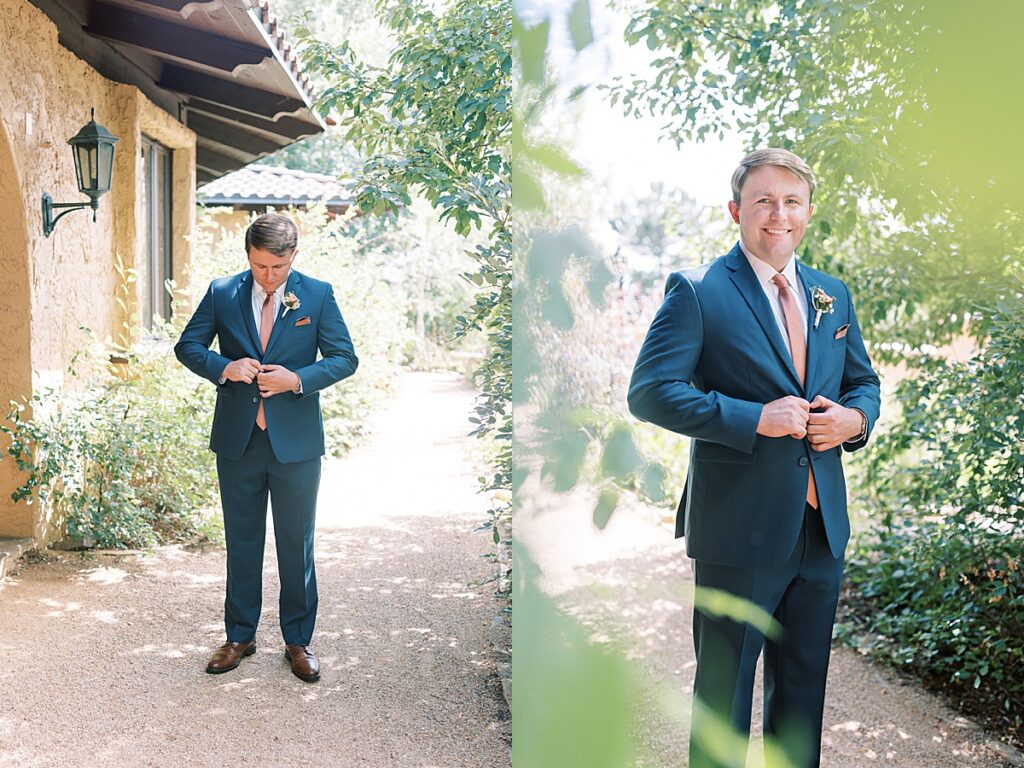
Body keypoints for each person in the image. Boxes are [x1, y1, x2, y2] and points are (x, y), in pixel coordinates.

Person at [627, 149, 881, 767]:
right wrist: (752, 417)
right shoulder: (698, 290)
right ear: (736, 210)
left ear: (809, 212)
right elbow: (650, 392)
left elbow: (862, 383)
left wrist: (856, 420)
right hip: (738, 530)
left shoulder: (831, 294)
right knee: (723, 697)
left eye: (791, 201)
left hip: (820, 529)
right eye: (764, 200)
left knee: (802, 694)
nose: (779, 214)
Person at [175, 213, 358, 683]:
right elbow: (188, 346)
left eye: (277, 267)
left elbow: (343, 357)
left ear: (293, 257)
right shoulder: (222, 292)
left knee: (296, 545)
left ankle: (297, 641)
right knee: (242, 540)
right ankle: (240, 636)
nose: (269, 277)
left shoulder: (317, 294)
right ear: (248, 257)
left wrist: (298, 379)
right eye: (259, 266)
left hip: (295, 444)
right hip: (239, 440)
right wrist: (225, 366)